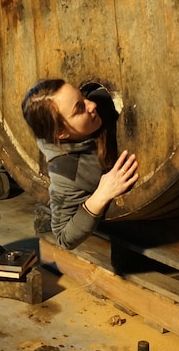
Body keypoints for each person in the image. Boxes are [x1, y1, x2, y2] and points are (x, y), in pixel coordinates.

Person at [21, 79, 139, 249]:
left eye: (83, 96)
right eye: (80, 108)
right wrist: (101, 196)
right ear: (61, 133)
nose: (91, 105)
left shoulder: (99, 103)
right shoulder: (66, 174)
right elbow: (63, 237)